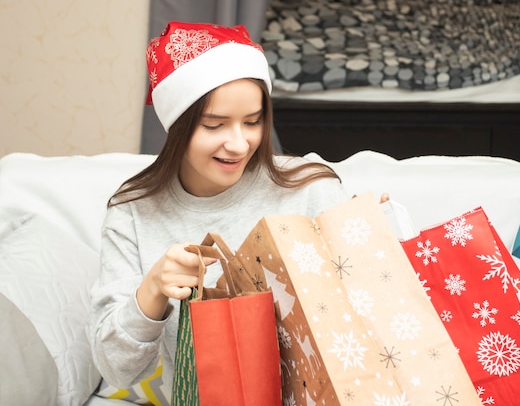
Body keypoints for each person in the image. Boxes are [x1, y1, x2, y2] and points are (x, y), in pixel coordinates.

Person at [88, 22, 350, 397]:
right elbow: (116, 370)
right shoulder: (133, 212)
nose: (240, 145)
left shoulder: (309, 188)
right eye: (215, 124)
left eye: (253, 122)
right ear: (177, 126)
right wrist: (153, 290)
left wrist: (375, 233)